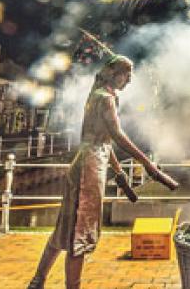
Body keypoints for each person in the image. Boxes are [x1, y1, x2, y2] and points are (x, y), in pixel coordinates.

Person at [27, 55, 178, 289]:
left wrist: (118, 173)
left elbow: (101, 140)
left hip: (84, 163)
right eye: (126, 74)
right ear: (114, 73)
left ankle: (37, 282)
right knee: (80, 233)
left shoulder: (95, 96)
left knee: (65, 229)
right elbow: (116, 136)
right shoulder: (105, 98)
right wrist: (150, 166)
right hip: (89, 170)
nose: (129, 80)